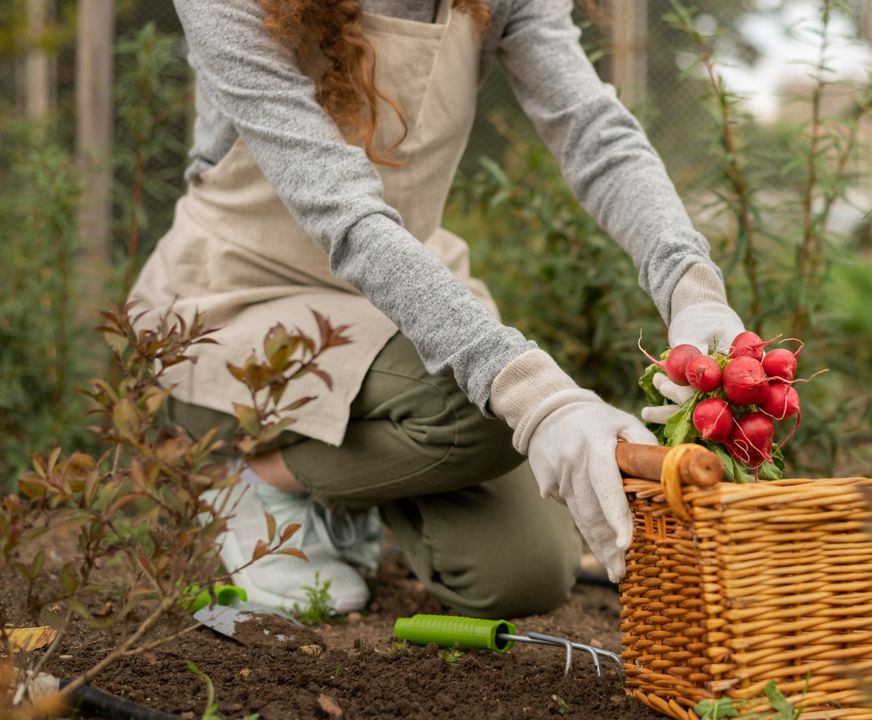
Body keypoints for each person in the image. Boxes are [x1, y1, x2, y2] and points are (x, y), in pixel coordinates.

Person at [129, 0, 744, 620]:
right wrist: (540, 395)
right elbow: (343, 213)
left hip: (398, 299)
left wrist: (690, 288)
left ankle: (335, 489)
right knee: (482, 403)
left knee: (524, 576)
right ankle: (256, 482)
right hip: (240, 300)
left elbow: (592, 129)